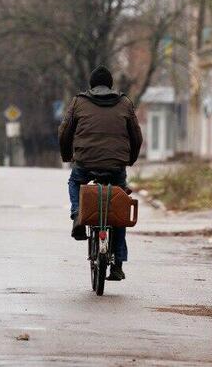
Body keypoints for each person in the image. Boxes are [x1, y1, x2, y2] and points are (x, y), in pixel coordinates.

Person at [58, 65, 143, 282]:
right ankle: (118, 264)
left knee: (75, 182)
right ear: (111, 85)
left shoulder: (79, 102)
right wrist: (128, 159)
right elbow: (136, 136)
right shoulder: (124, 103)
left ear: (91, 85)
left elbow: (64, 131)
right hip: (115, 165)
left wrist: (68, 156)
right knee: (119, 208)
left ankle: (78, 214)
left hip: (85, 161)